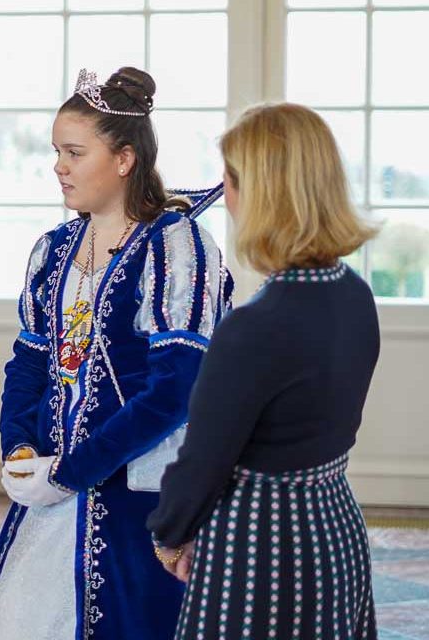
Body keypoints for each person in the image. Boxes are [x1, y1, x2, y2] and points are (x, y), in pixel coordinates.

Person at [0, 67, 232, 639]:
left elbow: (176, 389)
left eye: (74, 152)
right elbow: (31, 361)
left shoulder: (176, 246)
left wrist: (75, 470)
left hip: (139, 498)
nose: (59, 166)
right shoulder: (54, 249)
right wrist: (19, 448)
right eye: (57, 152)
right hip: (50, 491)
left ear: (125, 159)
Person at [147, 103, 380, 640]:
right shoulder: (354, 294)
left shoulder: (256, 326)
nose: (223, 196)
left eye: (228, 179)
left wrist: (170, 533)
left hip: (260, 542)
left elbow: (205, 458)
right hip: (333, 523)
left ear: (262, 193)